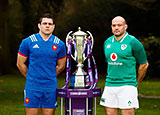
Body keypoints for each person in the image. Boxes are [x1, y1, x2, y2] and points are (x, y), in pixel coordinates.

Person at [17, 13, 66, 115]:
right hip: (33, 86)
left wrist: (50, 76)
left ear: (53, 26)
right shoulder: (28, 42)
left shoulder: (60, 44)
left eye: (50, 24)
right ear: (39, 25)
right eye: (44, 23)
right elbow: (20, 63)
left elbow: (61, 65)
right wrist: (30, 77)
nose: (47, 26)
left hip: (50, 87)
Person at [100, 16, 149, 115]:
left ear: (125, 26)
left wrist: (136, 82)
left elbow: (144, 64)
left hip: (127, 85)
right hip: (110, 84)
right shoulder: (107, 42)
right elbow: (110, 63)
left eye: (119, 25)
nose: (116, 28)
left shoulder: (133, 42)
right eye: (114, 25)